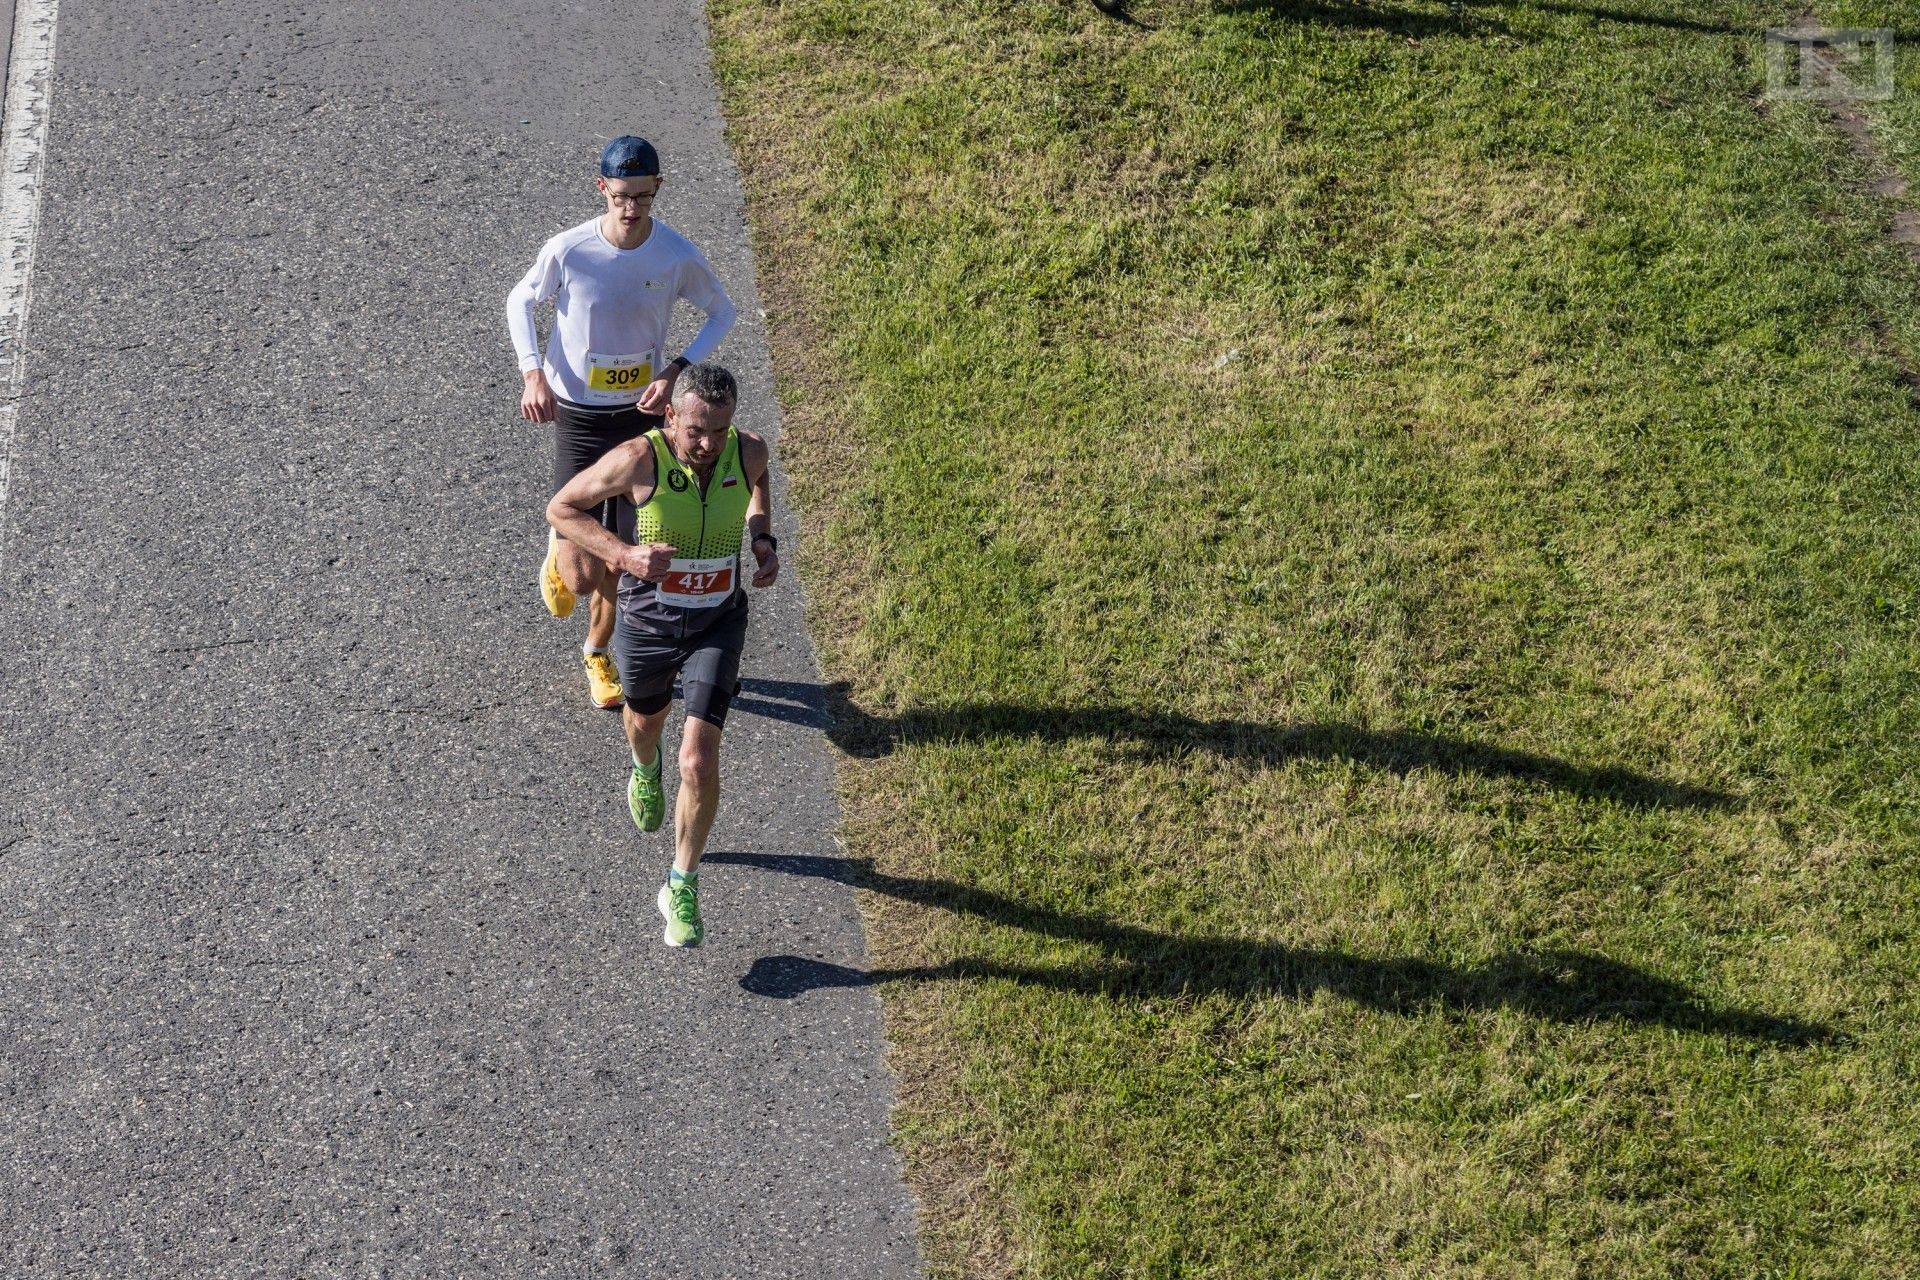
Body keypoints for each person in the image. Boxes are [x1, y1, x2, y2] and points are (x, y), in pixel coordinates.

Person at [545, 363, 779, 948]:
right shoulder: (638, 459)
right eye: (697, 431)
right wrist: (622, 554)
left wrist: (761, 539)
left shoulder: (746, 451)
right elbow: (562, 509)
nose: (707, 445)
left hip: (718, 620)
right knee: (646, 727)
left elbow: (758, 482)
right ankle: (643, 769)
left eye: (719, 432)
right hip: (649, 621)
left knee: (698, 759)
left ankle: (682, 883)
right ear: (670, 415)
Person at [508, 134, 737, 709]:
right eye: (620, 197)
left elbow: (721, 311)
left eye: (642, 196)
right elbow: (520, 301)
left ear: (657, 189)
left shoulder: (675, 254)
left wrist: (678, 370)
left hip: (642, 418)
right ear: (602, 188)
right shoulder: (570, 249)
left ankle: (598, 653)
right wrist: (533, 373)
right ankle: (564, 553)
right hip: (580, 416)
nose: (631, 209)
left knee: (636, 556)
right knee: (583, 573)